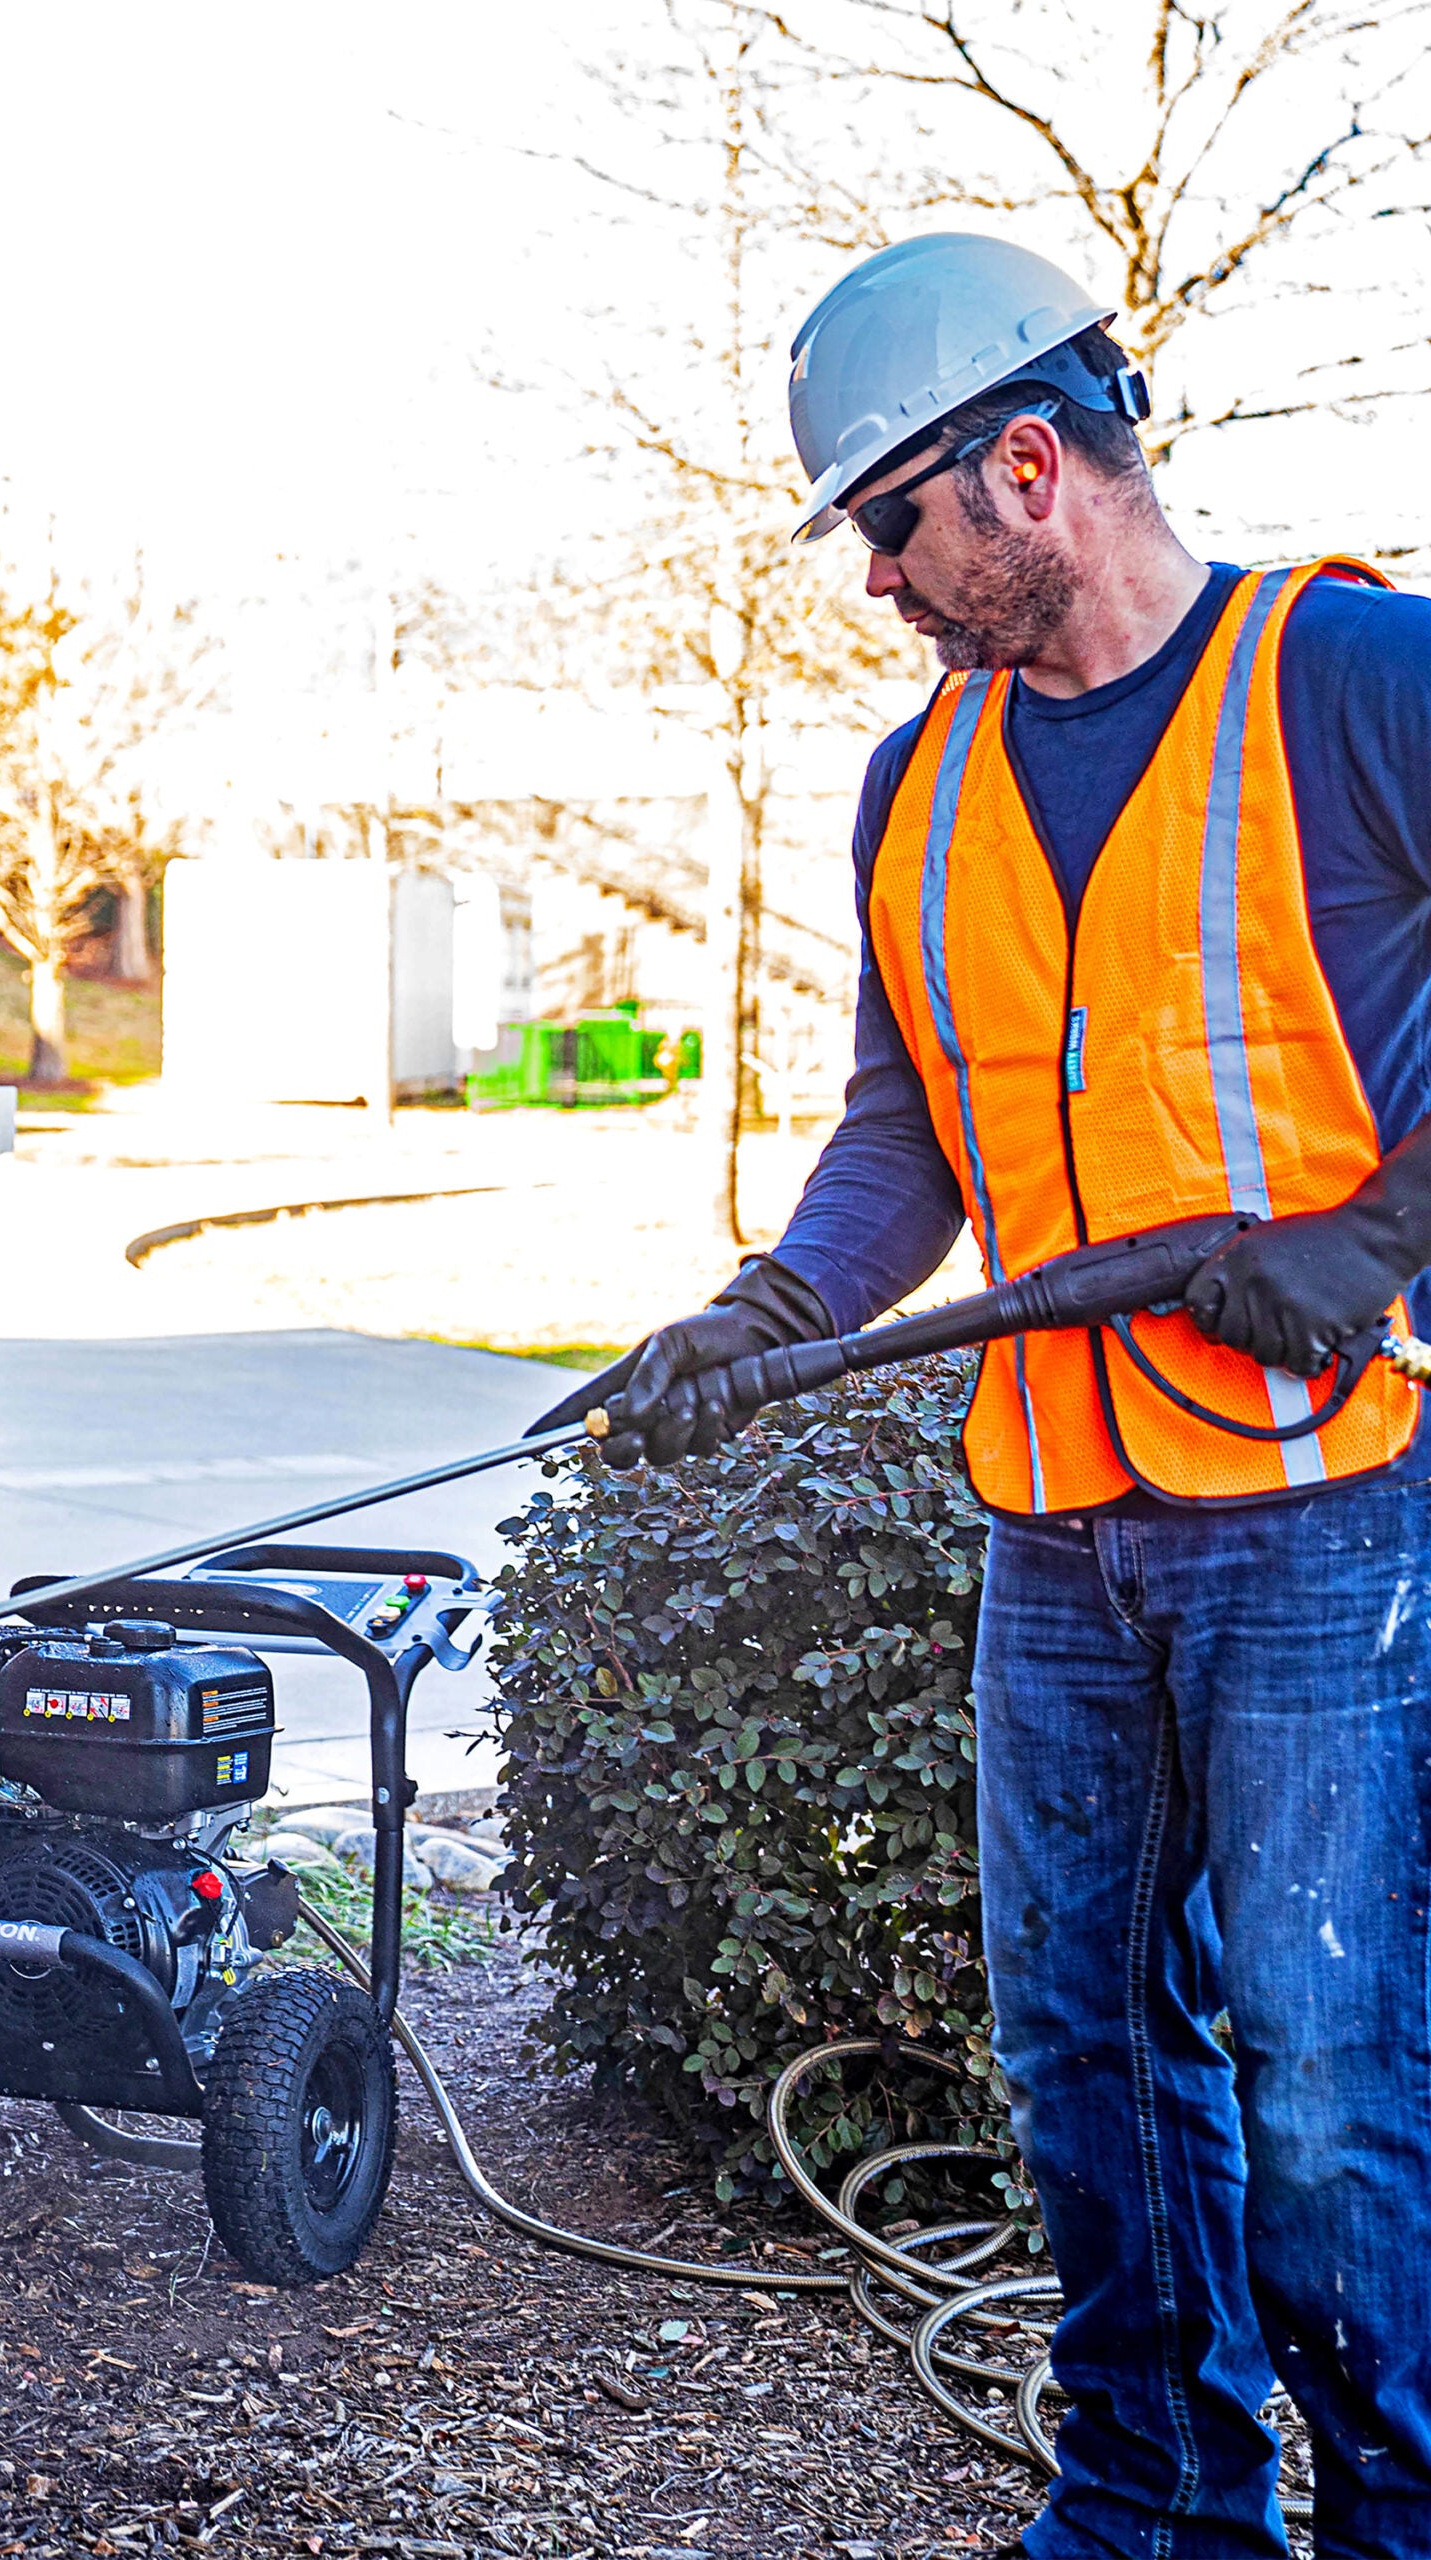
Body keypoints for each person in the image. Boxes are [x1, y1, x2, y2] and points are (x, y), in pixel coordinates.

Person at [534, 234, 1431, 2558]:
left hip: (1313, 1513)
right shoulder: (910, 791)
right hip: (1050, 1523)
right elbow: (902, 1133)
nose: (874, 579)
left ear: (1023, 466)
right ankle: (1147, 2511)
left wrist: (1372, 1232)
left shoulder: (1346, 675)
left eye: (888, 523)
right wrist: (764, 1309)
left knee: (1325, 2088)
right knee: (1085, 2066)